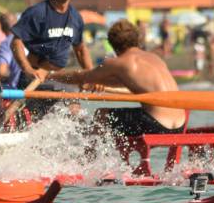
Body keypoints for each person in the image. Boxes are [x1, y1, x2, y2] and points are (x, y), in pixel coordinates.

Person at [43, 20, 186, 144]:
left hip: (157, 125)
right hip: (180, 125)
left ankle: (88, 163)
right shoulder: (155, 58)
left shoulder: (119, 62)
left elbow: (81, 77)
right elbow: (128, 84)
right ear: (137, 40)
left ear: (113, 45)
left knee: (101, 115)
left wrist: (50, 75)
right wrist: (102, 84)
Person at [10, 0, 93, 119]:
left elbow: (80, 49)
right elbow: (15, 43)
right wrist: (28, 69)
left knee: (76, 112)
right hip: (36, 78)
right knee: (54, 115)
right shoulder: (37, 13)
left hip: (58, 77)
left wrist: (92, 76)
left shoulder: (75, 17)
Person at [0, 13, 22, 89]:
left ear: (2, 28)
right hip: (36, 85)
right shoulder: (29, 37)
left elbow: (1, 71)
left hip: (19, 92)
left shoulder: (6, 43)